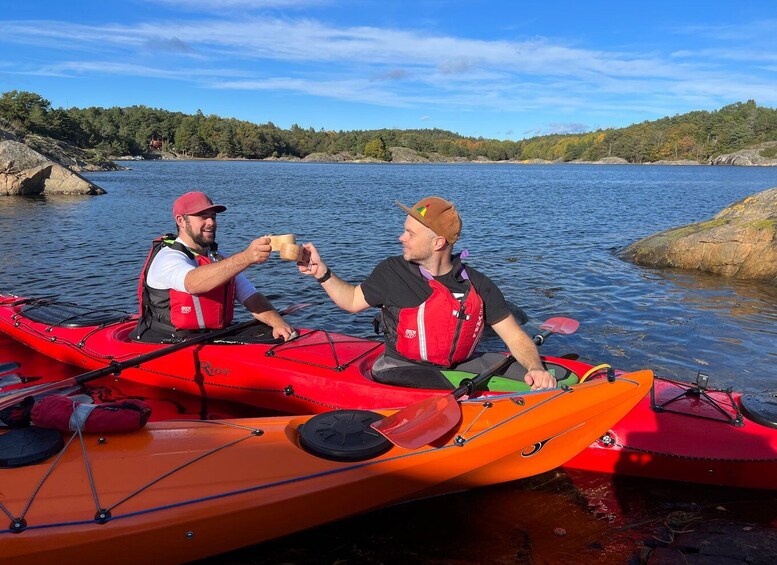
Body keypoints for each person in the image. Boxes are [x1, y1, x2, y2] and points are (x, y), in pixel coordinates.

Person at [297, 196, 556, 390]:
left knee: (556, 373)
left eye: (410, 233)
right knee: (443, 382)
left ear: (438, 243)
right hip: (399, 368)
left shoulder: (479, 285)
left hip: (456, 369)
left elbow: (515, 337)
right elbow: (352, 300)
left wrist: (536, 369)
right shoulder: (392, 271)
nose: (401, 237)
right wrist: (322, 272)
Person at [131, 191, 294, 344]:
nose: (211, 223)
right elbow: (192, 283)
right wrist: (246, 257)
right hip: (168, 340)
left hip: (209, 336)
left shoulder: (216, 256)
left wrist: (278, 323)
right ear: (181, 220)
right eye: (203, 217)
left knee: (269, 331)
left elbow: (249, 295)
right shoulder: (168, 257)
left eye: (213, 217)